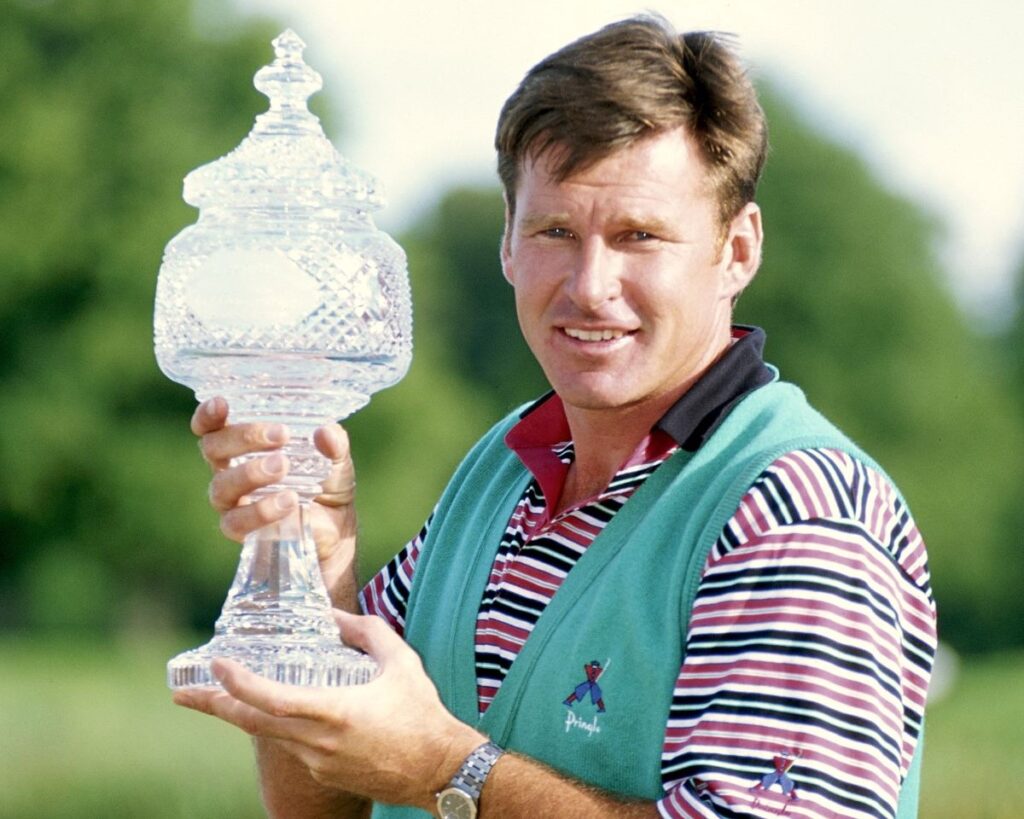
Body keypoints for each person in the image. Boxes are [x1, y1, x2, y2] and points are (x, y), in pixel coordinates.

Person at [174, 14, 937, 819]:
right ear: (508, 241)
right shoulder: (497, 467)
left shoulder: (797, 511)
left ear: (738, 249)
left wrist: (445, 768)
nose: (589, 285)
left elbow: (421, 763)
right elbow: (325, 805)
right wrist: (321, 563)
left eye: (640, 235)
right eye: (555, 231)